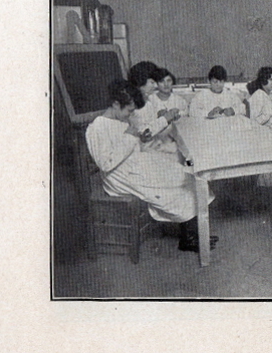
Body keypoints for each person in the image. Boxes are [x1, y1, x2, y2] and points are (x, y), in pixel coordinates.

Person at [85, 79, 217, 253]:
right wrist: (129, 137)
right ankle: (189, 239)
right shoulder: (97, 128)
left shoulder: (121, 119)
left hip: (134, 164)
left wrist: (152, 128)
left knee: (186, 174)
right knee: (179, 186)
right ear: (115, 104)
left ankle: (192, 234)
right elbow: (105, 163)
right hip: (120, 176)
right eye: (129, 110)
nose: (130, 115)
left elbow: (138, 135)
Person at [128, 62, 182, 157]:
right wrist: (165, 119)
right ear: (140, 82)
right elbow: (144, 134)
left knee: (185, 151)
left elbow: (151, 124)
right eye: (152, 82)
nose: (156, 86)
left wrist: (162, 116)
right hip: (147, 152)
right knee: (186, 156)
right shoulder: (134, 106)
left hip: (157, 145)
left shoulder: (147, 101)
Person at [246, 66, 272, 133]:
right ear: (263, 79)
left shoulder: (271, 96)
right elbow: (254, 121)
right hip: (263, 134)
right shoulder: (258, 95)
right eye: (270, 79)